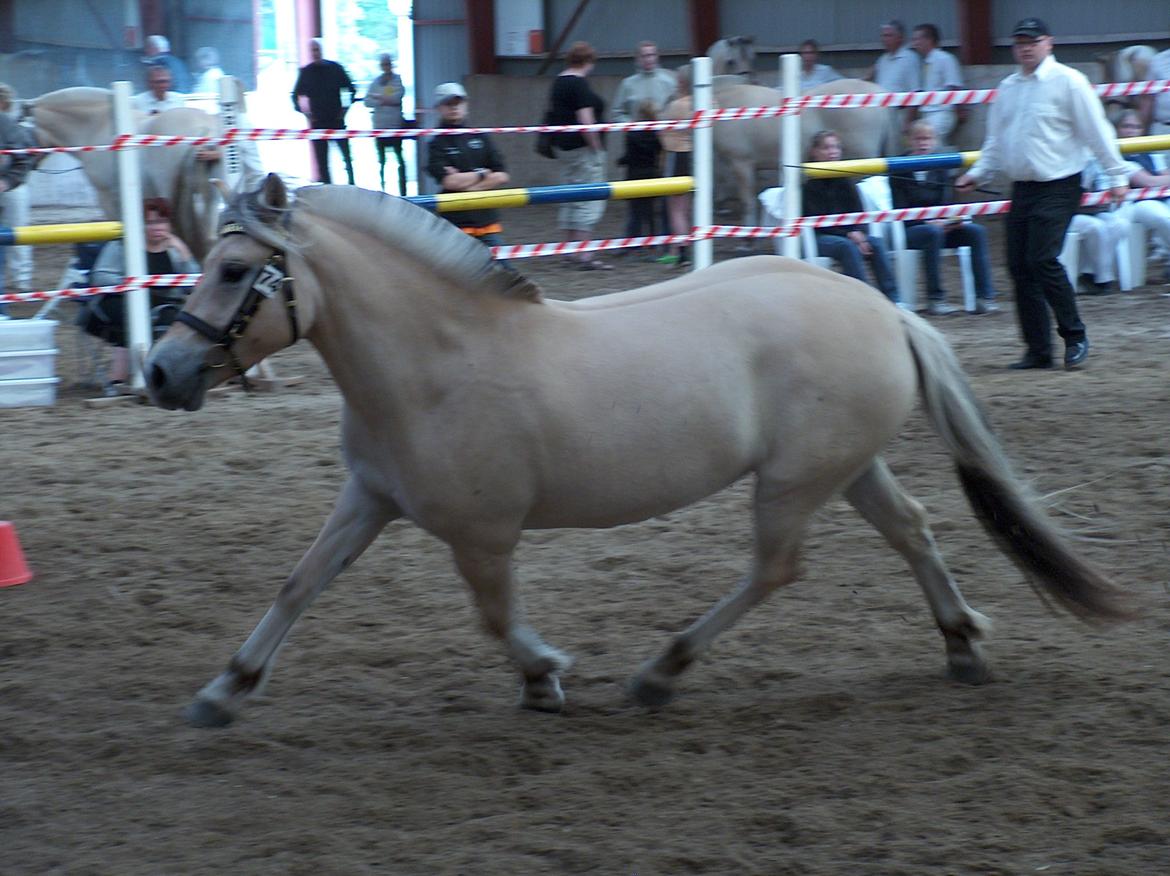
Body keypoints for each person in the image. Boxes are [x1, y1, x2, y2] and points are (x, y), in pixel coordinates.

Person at [956, 18, 1128, 371]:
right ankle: (1038, 349)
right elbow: (996, 143)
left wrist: (1116, 175)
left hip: (1060, 183)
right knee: (1019, 266)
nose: (1025, 47)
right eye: (1020, 42)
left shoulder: (1070, 83)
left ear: (1048, 43)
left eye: (1032, 41)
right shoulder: (1008, 88)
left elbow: (1098, 131)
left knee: (1042, 259)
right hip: (1022, 187)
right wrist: (976, 174)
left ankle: (1075, 334)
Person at [80, 198, 198, 391]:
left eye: (161, 222)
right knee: (135, 314)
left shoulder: (175, 251)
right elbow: (100, 277)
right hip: (118, 303)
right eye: (151, 223)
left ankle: (169, 376)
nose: (157, 227)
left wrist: (185, 255)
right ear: (140, 225)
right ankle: (118, 380)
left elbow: (193, 285)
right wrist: (134, 285)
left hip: (165, 307)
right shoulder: (122, 245)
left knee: (182, 320)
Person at [891, 120, 1000, 314]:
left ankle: (985, 296)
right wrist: (929, 221)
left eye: (928, 138)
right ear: (909, 140)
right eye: (918, 139)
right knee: (932, 233)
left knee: (976, 231)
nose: (923, 143)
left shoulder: (940, 164)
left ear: (934, 141)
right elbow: (899, 208)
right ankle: (936, 299)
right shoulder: (899, 167)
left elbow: (945, 202)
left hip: (940, 225)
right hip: (911, 228)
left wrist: (951, 220)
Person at [803, 130, 899, 302]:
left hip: (850, 233)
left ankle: (893, 298)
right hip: (822, 237)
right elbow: (817, 222)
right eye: (826, 148)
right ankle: (863, 298)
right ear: (814, 152)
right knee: (846, 246)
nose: (832, 151)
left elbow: (859, 212)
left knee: (875, 243)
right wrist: (849, 235)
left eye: (836, 147)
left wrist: (860, 234)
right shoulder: (810, 186)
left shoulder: (846, 180)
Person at [424, 83, 510, 256]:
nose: (454, 107)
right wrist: (481, 174)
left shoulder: (481, 136)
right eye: (448, 103)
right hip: (455, 222)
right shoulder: (436, 143)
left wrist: (467, 184)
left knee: (503, 270)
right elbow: (449, 181)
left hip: (487, 220)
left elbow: (501, 175)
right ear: (439, 108)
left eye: (458, 102)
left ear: (466, 105)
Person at [548, 41, 610, 270]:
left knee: (569, 197)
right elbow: (586, 120)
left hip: (565, 149)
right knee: (588, 199)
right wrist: (596, 147)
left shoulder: (559, 82)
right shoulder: (579, 85)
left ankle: (568, 250)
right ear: (589, 61)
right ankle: (584, 254)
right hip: (583, 151)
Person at [291, 39, 357, 185]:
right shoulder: (306, 72)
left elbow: (352, 89)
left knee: (347, 158)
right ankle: (329, 189)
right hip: (318, 123)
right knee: (322, 162)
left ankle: (352, 185)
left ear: (321, 50)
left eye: (317, 49)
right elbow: (295, 95)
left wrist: (344, 110)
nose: (315, 53)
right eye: (312, 50)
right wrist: (306, 114)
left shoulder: (336, 69)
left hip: (337, 121)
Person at [1115, 110, 1170, 284]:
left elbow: (1163, 176)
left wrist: (1162, 180)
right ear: (1116, 129)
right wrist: (1162, 180)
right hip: (1134, 203)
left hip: (1159, 196)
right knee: (1164, 217)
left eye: (1137, 127)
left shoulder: (1150, 151)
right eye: (1127, 126)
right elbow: (1148, 181)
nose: (1132, 131)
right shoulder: (1117, 156)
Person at [0, 83, 34, 299]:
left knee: (18, 232)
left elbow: (25, 155)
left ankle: (22, 279)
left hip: (10, 187)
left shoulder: (7, 123)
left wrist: (7, 181)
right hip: (11, 183)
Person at [617, 99, 663, 251]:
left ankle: (631, 243)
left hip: (635, 175)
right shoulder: (657, 134)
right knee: (649, 212)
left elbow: (629, 156)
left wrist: (620, 161)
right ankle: (652, 242)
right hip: (651, 174)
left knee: (634, 211)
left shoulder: (632, 132)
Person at [909, 24, 964, 151]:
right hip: (927, 113)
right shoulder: (924, 62)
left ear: (929, 40)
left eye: (917, 39)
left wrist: (959, 110)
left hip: (942, 112)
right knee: (932, 144)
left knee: (931, 143)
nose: (915, 43)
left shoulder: (945, 59)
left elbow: (954, 86)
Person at [657, 86, 693, 267]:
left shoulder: (676, 105)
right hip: (692, 156)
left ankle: (679, 251)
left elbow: (661, 131)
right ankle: (679, 249)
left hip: (676, 155)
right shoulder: (702, 102)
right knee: (684, 208)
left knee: (675, 209)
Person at [869, 20, 918, 151]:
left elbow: (916, 91)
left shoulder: (909, 58)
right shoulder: (882, 60)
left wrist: (908, 121)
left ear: (900, 38)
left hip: (900, 113)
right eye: (883, 35)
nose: (884, 39)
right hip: (881, 113)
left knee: (896, 150)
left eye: (888, 35)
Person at [364, 53, 407, 195]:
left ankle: (403, 192)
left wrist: (379, 97)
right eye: (383, 64)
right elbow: (367, 101)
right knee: (381, 162)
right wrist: (383, 100)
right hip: (379, 127)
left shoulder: (397, 80)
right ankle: (382, 191)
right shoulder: (375, 82)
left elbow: (397, 97)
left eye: (388, 64)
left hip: (395, 127)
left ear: (391, 65)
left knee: (400, 160)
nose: (386, 67)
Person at [610, 41, 677, 123]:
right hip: (636, 132)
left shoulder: (669, 82)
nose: (648, 59)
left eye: (651, 55)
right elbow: (617, 113)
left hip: (662, 131)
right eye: (644, 56)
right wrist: (631, 124)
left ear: (657, 57)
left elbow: (676, 109)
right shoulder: (627, 84)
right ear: (638, 58)